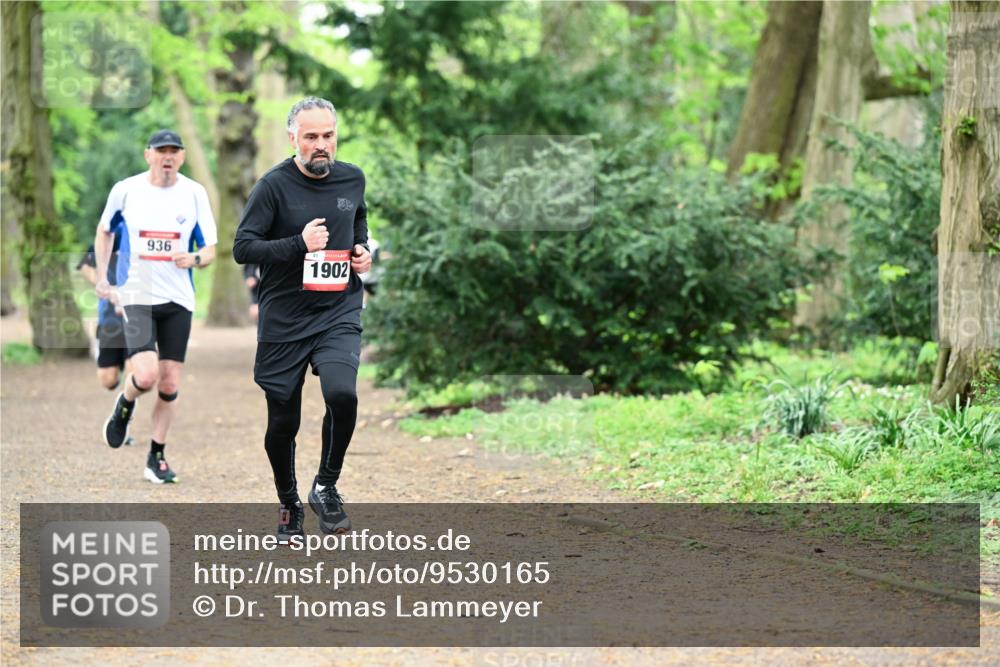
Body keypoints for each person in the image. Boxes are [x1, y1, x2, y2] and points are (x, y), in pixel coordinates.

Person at [233, 97, 371, 542]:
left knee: (342, 394)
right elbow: (243, 248)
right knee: (282, 423)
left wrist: (362, 250)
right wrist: (298, 244)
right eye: (311, 136)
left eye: (328, 135)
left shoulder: (352, 178)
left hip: (337, 310)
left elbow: (358, 219)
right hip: (285, 318)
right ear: (293, 137)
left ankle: (325, 486)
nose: (321, 144)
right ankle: (289, 502)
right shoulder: (272, 186)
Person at [94, 129, 218, 484]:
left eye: (174, 151)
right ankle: (125, 402)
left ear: (182, 157)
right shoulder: (126, 190)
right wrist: (103, 276)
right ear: (148, 154)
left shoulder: (195, 193)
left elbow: (210, 249)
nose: (168, 157)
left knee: (169, 381)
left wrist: (194, 258)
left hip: (179, 298)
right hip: (138, 294)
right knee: (146, 376)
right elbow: (104, 231)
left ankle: (156, 456)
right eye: (161, 151)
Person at [78, 241, 136, 447]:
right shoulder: (108, 235)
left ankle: (122, 422)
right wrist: (104, 285)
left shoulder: (142, 233)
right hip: (109, 319)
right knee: (108, 379)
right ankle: (120, 386)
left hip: (137, 318)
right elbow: (85, 265)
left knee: (133, 372)